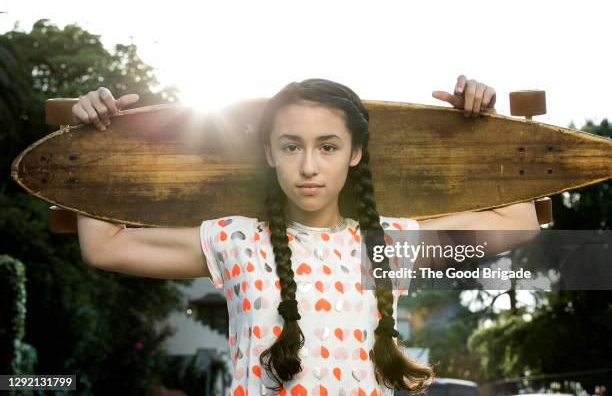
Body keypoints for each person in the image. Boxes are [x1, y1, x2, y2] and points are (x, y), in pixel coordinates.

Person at [73, 76, 540, 395]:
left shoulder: (388, 245)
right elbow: (104, 245)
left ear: (355, 154)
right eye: (291, 146)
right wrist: (92, 138)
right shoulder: (237, 241)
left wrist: (487, 127)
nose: (309, 166)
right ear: (270, 154)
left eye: (328, 146)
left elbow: (518, 224)